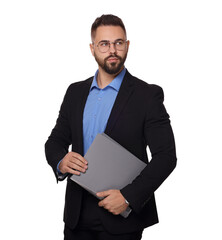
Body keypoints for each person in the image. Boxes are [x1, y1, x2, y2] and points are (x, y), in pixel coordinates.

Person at [45, 14, 177, 240]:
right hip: (77, 215)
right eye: (104, 44)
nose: (112, 50)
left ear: (127, 46)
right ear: (92, 48)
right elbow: (55, 141)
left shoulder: (147, 96)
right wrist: (61, 160)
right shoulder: (75, 92)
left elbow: (166, 157)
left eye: (118, 43)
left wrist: (128, 197)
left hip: (121, 217)